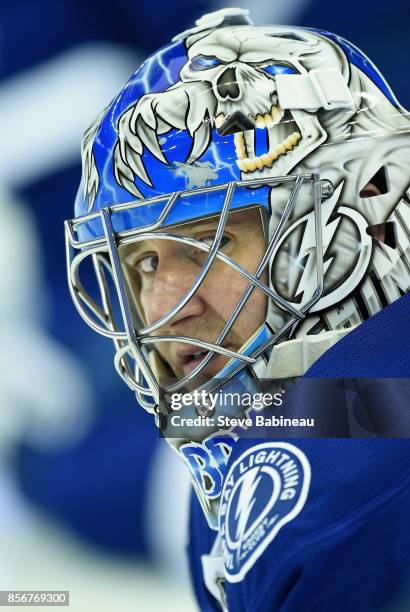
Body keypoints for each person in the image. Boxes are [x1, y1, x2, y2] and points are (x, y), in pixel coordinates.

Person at [65, 8, 410, 610]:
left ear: (360, 215)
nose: (163, 311)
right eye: (144, 264)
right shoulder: (297, 418)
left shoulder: (325, 501)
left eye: (208, 243)